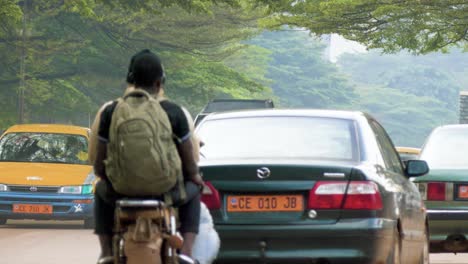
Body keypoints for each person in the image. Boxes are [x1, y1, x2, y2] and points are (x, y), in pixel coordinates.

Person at [93, 49, 203, 263]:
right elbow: (189, 164)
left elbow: (99, 166)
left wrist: (107, 177)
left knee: (99, 189)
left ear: (130, 81)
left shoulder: (111, 111)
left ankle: (106, 252)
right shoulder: (173, 112)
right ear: (160, 83)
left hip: (120, 193)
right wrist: (196, 178)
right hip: (165, 194)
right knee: (194, 190)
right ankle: (187, 253)